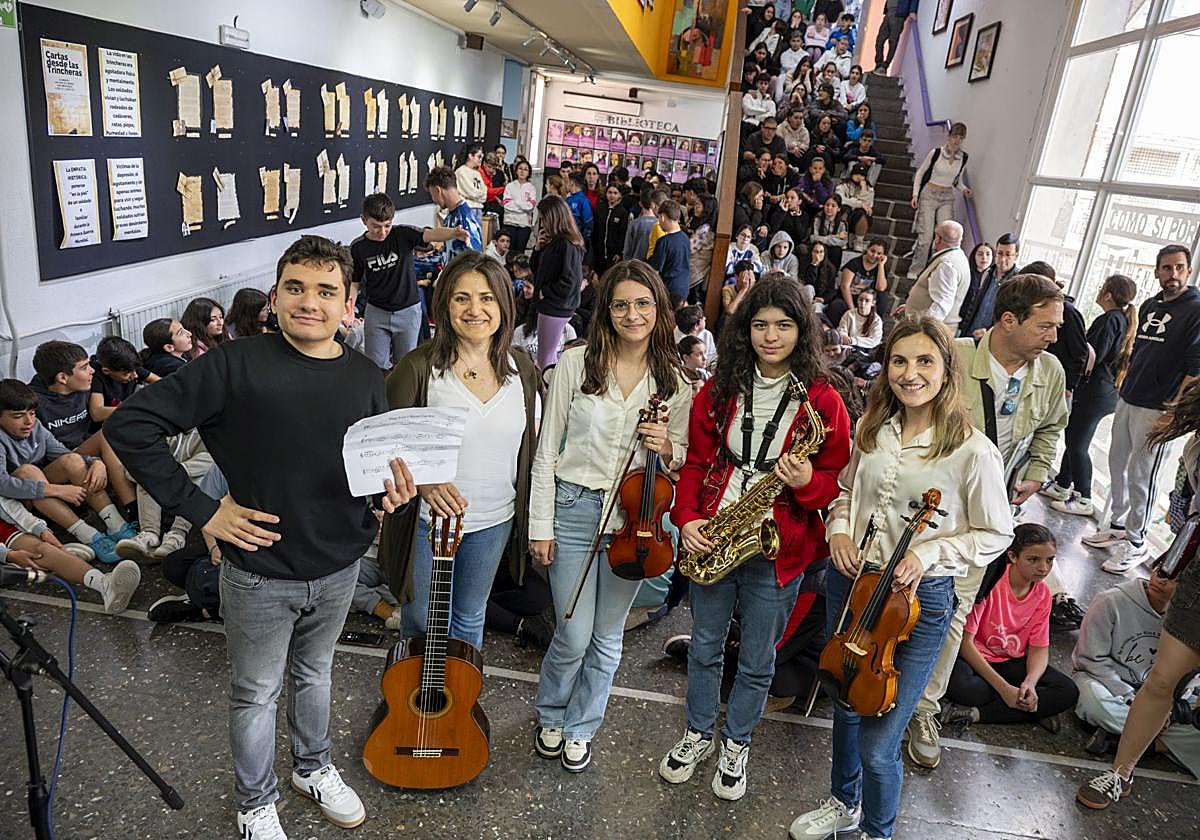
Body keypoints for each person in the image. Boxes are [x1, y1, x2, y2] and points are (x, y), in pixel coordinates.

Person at [105, 235, 417, 839]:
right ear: (274, 297)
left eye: (326, 291)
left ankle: (313, 767)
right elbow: (133, 425)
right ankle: (255, 803)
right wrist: (202, 509)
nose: (310, 302)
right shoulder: (233, 364)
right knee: (255, 693)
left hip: (339, 564)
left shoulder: (367, 375)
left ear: (349, 302)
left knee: (315, 674)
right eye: (295, 288)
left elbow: (368, 465)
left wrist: (388, 497)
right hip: (257, 570)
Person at [788, 317, 1012, 840]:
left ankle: (877, 831)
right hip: (854, 581)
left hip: (916, 602)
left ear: (946, 369)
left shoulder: (972, 450)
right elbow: (844, 493)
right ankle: (843, 802)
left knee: (879, 740)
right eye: (899, 361)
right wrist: (839, 531)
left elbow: (996, 532)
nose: (910, 374)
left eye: (924, 361)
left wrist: (930, 552)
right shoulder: (872, 430)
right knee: (845, 706)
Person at [662, 276, 851, 800]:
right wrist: (688, 518)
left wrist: (806, 483)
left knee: (758, 658)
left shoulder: (823, 401)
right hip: (716, 531)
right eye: (761, 325)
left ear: (801, 331)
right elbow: (698, 460)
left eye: (784, 326)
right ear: (745, 331)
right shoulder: (720, 388)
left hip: (779, 546)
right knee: (703, 646)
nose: (771, 336)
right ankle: (698, 733)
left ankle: (737, 742)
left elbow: (837, 481)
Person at [530, 261, 692, 773]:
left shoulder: (675, 383)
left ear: (659, 310)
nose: (632, 313)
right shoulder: (576, 365)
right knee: (573, 633)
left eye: (643, 303)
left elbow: (681, 459)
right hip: (574, 508)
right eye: (621, 304)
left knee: (607, 637)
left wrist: (667, 445)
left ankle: (582, 725)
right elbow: (545, 452)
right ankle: (551, 711)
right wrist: (540, 525)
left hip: (635, 518)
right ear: (606, 309)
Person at [905, 275, 1068, 771]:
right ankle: (872, 685)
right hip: (926, 512)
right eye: (1046, 325)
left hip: (988, 522)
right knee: (900, 600)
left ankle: (923, 709)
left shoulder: (1051, 373)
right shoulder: (950, 357)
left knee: (954, 612)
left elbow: (1051, 430)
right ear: (1008, 320)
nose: (1055, 336)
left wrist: (1037, 474)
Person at [379, 252, 540, 649]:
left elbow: (532, 446)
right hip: (426, 522)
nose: (475, 309)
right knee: (419, 619)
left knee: (470, 617)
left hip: (494, 519)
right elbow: (383, 444)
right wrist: (424, 483)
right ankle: (411, 706)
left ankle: (458, 705)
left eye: (487, 298)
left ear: (504, 303)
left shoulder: (523, 369)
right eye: (461, 298)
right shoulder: (418, 368)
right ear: (444, 304)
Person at [1077, 380, 1200, 807]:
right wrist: (1171, 566)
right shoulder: (1195, 449)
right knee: (1161, 679)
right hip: (1197, 579)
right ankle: (1119, 773)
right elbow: (1186, 515)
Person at [1085, 244, 1200, 572]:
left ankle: (1136, 542)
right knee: (1116, 462)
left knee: (1142, 475)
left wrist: (1174, 411)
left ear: (1188, 271)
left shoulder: (1196, 308)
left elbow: (1195, 370)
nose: (1173, 274)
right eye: (1167, 268)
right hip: (1130, 398)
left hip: (1159, 408)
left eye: (1179, 267)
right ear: (1157, 271)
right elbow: (1140, 352)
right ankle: (1118, 527)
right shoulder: (1151, 305)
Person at [941, 524, 1079, 729]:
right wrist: (1004, 688)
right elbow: (965, 643)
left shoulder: (1042, 594)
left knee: (1068, 691)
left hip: (1009, 661)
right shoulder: (991, 582)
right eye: (1033, 560)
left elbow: (1039, 649)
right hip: (973, 658)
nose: (1043, 568)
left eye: (1050, 560)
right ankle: (1030, 708)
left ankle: (977, 714)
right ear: (1013, 556)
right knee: (968, 689)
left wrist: (1030, 683)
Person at [1072, 556, 1198, 772]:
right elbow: (1090, 659)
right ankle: (1153, 738)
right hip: (1106, 684)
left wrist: (1171, 708)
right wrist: (1129, 696)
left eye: (1173, 579)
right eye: (1161, 571)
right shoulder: (1111, 601)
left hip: (1160, 697)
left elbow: (1187, 679)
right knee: (1094, 704)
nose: (1160, 580)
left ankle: (1131, 741)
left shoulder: (1189, 623)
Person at [1041, 274, 1138, 517]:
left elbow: (1092, 356)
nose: (1098, 289)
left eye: (1102, 287)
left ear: (1108, 294)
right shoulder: (1117, 320)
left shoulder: (1109, 320)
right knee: (1074, 438)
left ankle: (1084, 497)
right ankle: (1063, 485)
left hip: (1096, 393)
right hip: (1102, 392)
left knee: (1077, 444)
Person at [28, 341, 137, 538]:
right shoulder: (35, 404)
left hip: (82, 450)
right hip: (55, 464)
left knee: (108, 432)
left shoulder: (84, 385)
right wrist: (93, 461)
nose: (92, 371)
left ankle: (133, 510)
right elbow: (44, 454)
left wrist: (96, 461)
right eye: (84, 367)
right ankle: (115, 524)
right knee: (73, 460)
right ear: (62, 377)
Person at [351, 192, 471, 370]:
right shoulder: (358, 247)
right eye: (376, 226)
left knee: (406, 364)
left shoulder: (402, 234)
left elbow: (430, 235)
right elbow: (355, 281)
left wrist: (454, 232)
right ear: (364, 220)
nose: (382, 232)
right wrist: (349, 306)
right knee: (375, 365)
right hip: (377, 311)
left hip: (407, 310)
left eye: (387, 225)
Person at [530, 194, 586, 370]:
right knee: (547, 355)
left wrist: (545, 291)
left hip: (556, 306)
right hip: (550, 305)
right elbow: (536, 269)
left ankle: (547, 393)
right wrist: (538, 248)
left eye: (544, 219)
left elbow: (570, 282)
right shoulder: (555, 242)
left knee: (545, 358)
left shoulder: (567, 244)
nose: (542, 223)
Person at [910, 123, 972, 278]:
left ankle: (932, 272)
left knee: (945, 237)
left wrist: (964, 189)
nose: (957, 140)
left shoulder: (963, 158)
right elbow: (920, 173)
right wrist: (915, 194)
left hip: (947, 197)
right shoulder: (936, 153)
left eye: (960, 137)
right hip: (929, 194)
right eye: (955, 136)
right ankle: (915, 270)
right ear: (949, 136)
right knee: (926, 237)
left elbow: (956, 181)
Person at [900, 220, 971, 334]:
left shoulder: (946, 265)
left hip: (926, 330)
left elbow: (941, 304)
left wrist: (922, 330)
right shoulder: (959, 257)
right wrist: (911, 307)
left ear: (938, 239)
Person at [87, 336, 159, 431]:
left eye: (135, 371)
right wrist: (135, 410)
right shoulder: (96, 376)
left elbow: (162, 383)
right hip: (106, 429)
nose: (135, 376)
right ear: (106, 371)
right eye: (126, 374)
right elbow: (96, 413)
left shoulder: (130, 367)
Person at [959, 233, 1019, 338]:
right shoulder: (987, 273)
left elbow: (1012, 320)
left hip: (990, 339)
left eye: (1008, 254)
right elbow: (973, 306)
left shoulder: (1017, 282)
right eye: (1000, 253)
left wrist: (990, 333)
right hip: (969, 335)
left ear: (1016, 256)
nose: (1002, 259)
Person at [426, 166, 484, 267]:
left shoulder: (465, 218)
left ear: (438, 190)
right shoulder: (450, 216)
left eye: (432, 195)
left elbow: (475, 262)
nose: (434, 200)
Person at [829, 238, 891, 326]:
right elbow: (844, 286)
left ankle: (874, 326)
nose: (874, 255)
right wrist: (853, 310)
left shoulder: (881, 267)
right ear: (867, 249)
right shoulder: (855, 263)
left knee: (883, 296)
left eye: (879, 253)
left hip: (867, 301)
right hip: (850, 299)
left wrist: (881, 265)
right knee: (836, 306)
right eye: (872, 251)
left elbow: (880, 288)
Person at [593, 183, 630, 276]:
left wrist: (619, 252)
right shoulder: (600, 208)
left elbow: (623, 234)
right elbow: (595, 230)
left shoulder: (623, 213)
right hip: (599, 252)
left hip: (613, 255)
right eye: (609, 192)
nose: (612, 195)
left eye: (615, 193)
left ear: (620, 195)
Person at [502, 159, 538, 253]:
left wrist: (515, 201)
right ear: (516, 170)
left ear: (529, 172)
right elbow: (506, 205)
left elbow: (530, 206)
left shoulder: (531, 188)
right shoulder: (509, 186)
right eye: (520, 168)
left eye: (525, 169)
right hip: (510, 223)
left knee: (520, 252)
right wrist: (522, 205)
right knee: (508, 252)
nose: (522, 171)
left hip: (524, 225)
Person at [873, 0, 918, 74]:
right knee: (879, 40)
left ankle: (884, 66)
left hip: (898, 13)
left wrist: (912, 10)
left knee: (893, 41)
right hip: (888, 12)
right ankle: (878, 64)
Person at [454, 144, 487, 223]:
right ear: (470, 156)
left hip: (478, 209)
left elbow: (485, 194)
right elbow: (472, 192)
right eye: (479, 157)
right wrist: (479, 195)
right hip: (467, 208)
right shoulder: (461, 171)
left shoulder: (477, 173)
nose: (481, 160)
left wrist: (478, 195)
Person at [624, 189, 660, 261]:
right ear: (655, 204)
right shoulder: (660, 224)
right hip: (652, 267)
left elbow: (627, 250)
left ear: (640, 203)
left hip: (635, 265)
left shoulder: (634, 224)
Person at [564, 171, 595, 241]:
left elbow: (588, 225)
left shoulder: (584, 201)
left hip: (576, 242)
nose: (565, 184)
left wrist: (581, 241)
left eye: (567, 182)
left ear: (572, 183)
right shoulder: (567, 199)